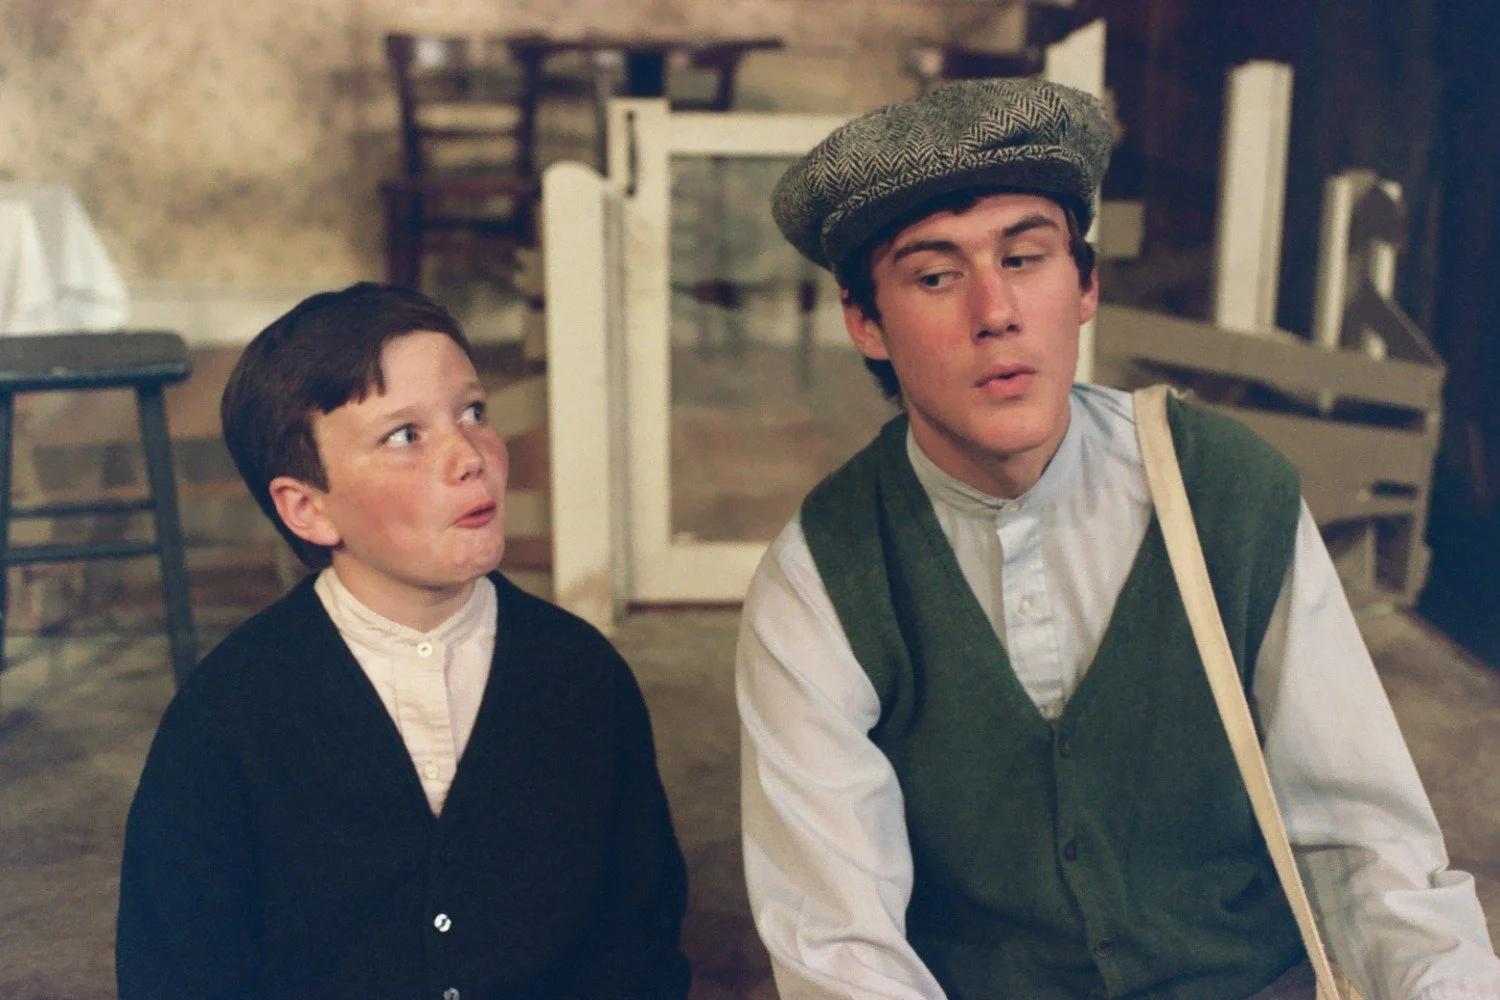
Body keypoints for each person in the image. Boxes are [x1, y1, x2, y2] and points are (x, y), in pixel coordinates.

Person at [737, 78, 1500, 1000]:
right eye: (935, 275)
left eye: (1026, 258)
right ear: (866, 323)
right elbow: (839, 943)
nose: (996, 312)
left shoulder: (1224, 487)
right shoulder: (821, 573)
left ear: (1086, 285)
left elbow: (1365, 845)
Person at [117, 283, 691, 999]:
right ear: (308, 508)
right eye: (404, 436)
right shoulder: (228, 715)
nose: (469, 456)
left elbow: (637, 940)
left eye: (474, 413)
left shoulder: (582, 676)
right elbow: (178, 971)